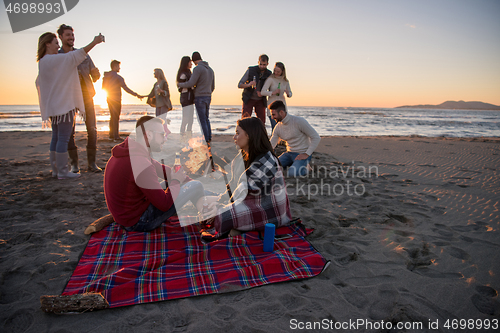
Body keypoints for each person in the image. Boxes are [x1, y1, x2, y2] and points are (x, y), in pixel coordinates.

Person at [103, 116, 214, 232]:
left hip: (128, 214)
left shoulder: (132, 151)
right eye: (162, 134)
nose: (165, 139)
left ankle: (210, 198)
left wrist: (181, 179)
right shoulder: (140, 163)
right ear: (149, 135)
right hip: (138, 222)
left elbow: (164, 171)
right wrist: (177, 181)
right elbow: (164, 205)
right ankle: (209, 214)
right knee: (196, 185)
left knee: (185, 184)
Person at [200, 117, 292, 242]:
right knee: (207, 203)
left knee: (222, 216)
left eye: (238, 133)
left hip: (268, 208)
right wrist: (219, 201)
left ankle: (234, 229)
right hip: (249, 201)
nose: (234, 137)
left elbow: (241, 190)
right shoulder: (243, 155)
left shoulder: (266, 160)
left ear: (249, 135)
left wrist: (220, 207)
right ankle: (236, 229)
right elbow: (233, 185)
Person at [36, 32, 104, 179]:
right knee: (64, 138)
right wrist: (95, 42)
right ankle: (63, 171)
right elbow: (73, 57)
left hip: (55, 106)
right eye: (55, 43)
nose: (58, 46)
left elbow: (38, 83)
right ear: (48, 44)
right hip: (64, 105)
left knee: (56, 138)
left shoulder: (43, 61)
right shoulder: (57, 59)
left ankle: (56, 171)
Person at [57, 24, 103, 173]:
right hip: (68, 98)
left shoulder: (83, 54)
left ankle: (92, 163)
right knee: (70, 131)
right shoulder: (58, 56)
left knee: (92, 129)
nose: (71, 37)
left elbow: (94, 76)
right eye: (68, 35)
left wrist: (96, 74)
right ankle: (75, 165)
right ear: (61, 37)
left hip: (87, 96)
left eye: (72, 35)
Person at [269, 101, 320, 177]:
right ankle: (294, 165)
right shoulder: (278, 127)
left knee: (292, 174)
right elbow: (271, 144)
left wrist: (306, 154)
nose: (272, 117)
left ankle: (307, 168)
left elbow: (316, 137)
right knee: (271, 169)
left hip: (302, 153)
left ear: (281, 112)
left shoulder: (299, 121)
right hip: (289, 154)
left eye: (274, 114)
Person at [177, 51, 215, 143]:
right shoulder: (210, 70)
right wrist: (208, 92)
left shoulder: (197, 69)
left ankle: (206, 139)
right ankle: (209, 137)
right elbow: (213, 86)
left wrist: (180, 84)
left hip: (200, 97)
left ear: (194, 61)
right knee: (206, 118)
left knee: (202, 119)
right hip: (208, 96)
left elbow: (191, 83)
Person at [102, 60, 143, 142]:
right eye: (118, 66)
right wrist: (136, 94)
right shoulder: (118, 78)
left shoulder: (106, 77)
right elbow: (126, 88)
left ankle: (111, 135)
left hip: (109, 99)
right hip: (116, 99)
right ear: (114, 67)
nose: (119, 68)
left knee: (112, 116)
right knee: (116, 117)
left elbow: (103, 88)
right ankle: (116, 136)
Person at [237, 54, 272, 124]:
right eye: (261, 64)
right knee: (245, 120)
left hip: (261, 100)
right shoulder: (250, 70)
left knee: (262, 122)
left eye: (264, 65)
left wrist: (263, 93)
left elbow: (270, 89)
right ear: (258, 62)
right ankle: (244, 134)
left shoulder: (269, 73)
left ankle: (260, 135)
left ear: (267, 64)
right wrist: (248, 85)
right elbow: (239, 85)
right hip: (248, 98)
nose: (262, 66)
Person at [261, 62, 292, 132]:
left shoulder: (285, 81)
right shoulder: (270, 79)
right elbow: (263, 92)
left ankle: (282, 142)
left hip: (282, 105)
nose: (276, 73)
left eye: (278, 71)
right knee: (275, 127)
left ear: (282, 71)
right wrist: (273, 93)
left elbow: (290, 93)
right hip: (272, 105)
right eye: (275, 70)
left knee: (283, 127)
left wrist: (288, 94)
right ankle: (273, 142)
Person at [176, 56, 195, 142]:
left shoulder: (188, 72)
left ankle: (187, 137)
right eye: (190, 62)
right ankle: (183, 136)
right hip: (186, 98)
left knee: (190, 119)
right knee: (186, 119)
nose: (191, 63)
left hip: (189, 98)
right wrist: (191, 86)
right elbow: (181, 87)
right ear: (186, 63)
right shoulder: (183, 73)